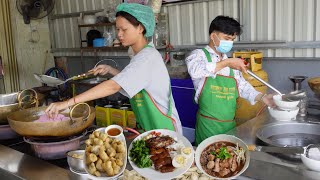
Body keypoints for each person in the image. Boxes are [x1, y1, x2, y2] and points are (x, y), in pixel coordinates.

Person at [45, 3, 183, 134]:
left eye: (124, 29)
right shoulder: (137, 53)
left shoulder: (147, 57)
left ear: (141, 28)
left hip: (165, 129)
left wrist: (67, 103)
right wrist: (110, 69)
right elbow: (133, 79)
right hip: (151, 128)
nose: (119, 34)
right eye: (117, 29)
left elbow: (114, 86)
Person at [185, 16, 275, 145]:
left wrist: (262, 97)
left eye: (232, 40)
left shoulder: (231, 65)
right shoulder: (198, 55)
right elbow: (195, 71)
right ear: (213, 36)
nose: (230, 43)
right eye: (226, 38)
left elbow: (242, 87)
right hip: (207, 126)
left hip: (230, 126)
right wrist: (227, 62)